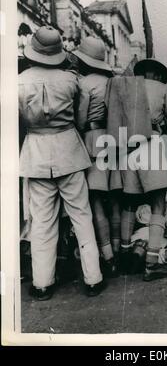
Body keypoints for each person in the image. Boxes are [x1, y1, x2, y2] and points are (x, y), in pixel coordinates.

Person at [19, 26, 105, 300]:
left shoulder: (18, 81)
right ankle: (93, 278)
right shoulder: (72, 80)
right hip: (68, 149)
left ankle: (42, 282)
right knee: (81, 215)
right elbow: (80, 120)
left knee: (42, 220)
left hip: (36, 152)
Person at [112, 58, 167, 281]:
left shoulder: (126, 87)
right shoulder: (164, 89)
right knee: (158, 202)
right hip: (152, 143)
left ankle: (123, 256)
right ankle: (151, 263)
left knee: (129, 202)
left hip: (127, 145)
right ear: (159, 75)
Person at [73, 36, 121, 278]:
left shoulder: (84, 83)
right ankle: (115, 248)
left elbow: (80, 119)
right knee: (113, 198)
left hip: (92, 138)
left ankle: (107, 256)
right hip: (112, 140)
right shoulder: (113, 82)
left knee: (97, 200)